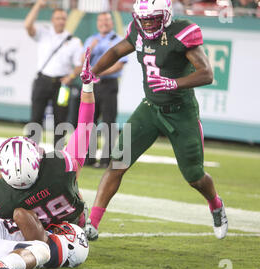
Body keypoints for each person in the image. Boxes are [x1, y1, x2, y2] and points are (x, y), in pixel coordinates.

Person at [83, 0, 228, 240]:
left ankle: (215, 203)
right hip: (150, 108)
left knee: (194, 176)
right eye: (144, 18)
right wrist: (94, 70)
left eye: (153, 18)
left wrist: (175, 83)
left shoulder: (182, 32)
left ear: (166, 15)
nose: (148, 23)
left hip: (181, 112)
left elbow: (207, 73)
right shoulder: (137, 30)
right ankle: (93, 223)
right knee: (118, 162)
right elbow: (117, 51)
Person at [0, 48, 96, 229]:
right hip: (72, 234)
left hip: (35, 239)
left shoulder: (0, 197)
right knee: (73, 180)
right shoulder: (60, 167)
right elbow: (85, 124)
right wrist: (88, 87)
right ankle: (86, 222)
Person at [24, 0, 83, 148]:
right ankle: (31, 149)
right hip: (43, 80)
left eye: (63, 18)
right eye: (58, 18)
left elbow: (79, 65)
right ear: (52, 20)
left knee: (61, 119)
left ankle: (58, 153)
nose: (61, 21)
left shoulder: (74, 41)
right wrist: (37, 5)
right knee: (36, 117)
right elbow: (28, 25)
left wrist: (70, 77)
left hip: (62, 85)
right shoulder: (44, 33)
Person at [83, 12, 128, 169]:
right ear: (97, 23)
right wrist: (92, 49)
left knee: (109, 122)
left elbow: (119, 64)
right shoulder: (91, 40)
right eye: (101, 20)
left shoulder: (118, 40)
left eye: (107, 20)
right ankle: (89, 158)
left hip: (109, 84)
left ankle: (105, 160)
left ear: (112, 23)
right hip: (92, 85)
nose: (104, 23)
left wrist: (98, 72)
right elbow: (82, 61)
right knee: (90, 122)